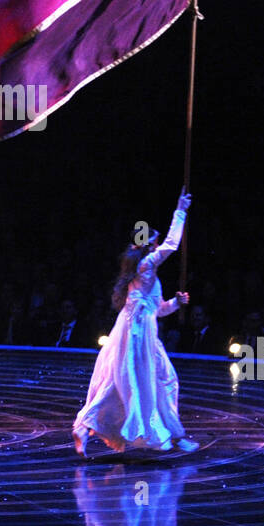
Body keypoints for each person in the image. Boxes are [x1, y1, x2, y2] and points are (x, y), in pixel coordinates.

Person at [73, 189, 198, 455]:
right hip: (139, 332)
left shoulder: (142, 273)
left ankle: (86, 426)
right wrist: (181, 210)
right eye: (154, 242)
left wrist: (176, 303)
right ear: (147, 246)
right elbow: (172, 245)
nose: (157, 246)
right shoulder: (146, 265)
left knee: (127, 382)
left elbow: (159, 310)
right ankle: (169, 435)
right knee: (147, 382)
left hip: (137, 329)